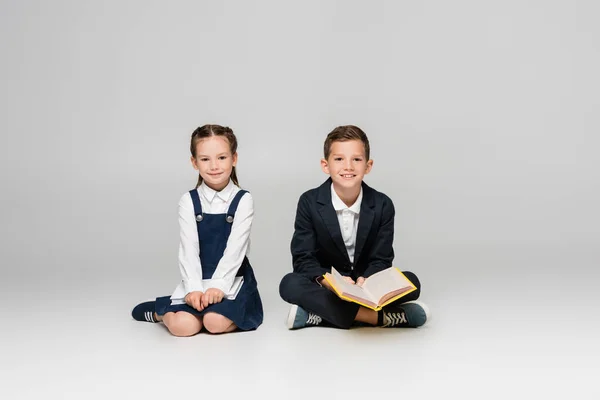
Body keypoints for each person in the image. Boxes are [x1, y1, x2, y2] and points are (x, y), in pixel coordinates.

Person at [279, 125, 429, 329]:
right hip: (329, 285)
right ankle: (378, 318)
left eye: (356, 159)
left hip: (366, 284)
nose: (348, 166)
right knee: (290, 283)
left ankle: (319, 316)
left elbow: (381, 258)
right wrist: (329, 282)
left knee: (412, 282)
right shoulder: (309, 201)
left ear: (368, 166)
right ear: (326, 165)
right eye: (339, 159)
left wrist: (364, 281)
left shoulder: (383, 204)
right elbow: (303, 259)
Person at [131, 124, 263, 336]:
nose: (214, 166)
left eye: (222, 157)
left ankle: (210, 310)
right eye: (205, 159)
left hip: (232, 277)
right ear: (194, 162)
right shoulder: (189, 201)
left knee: (214, 323)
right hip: (198, 275)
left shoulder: (243, 200)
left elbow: (236, 249)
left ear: (234, 159)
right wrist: (193, 288)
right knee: (184, 328)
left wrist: (220, 285)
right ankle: (161, 312)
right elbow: (188, 248)